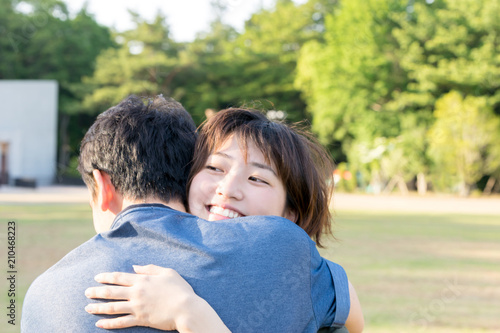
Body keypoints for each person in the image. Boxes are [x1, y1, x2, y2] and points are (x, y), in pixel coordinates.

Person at [21, 96, 361, 332]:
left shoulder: (46, 294)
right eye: (214, 168)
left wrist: (190, 313)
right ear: (186, 174)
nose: (227, 188)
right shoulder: (293, 262)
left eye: (257, 178)